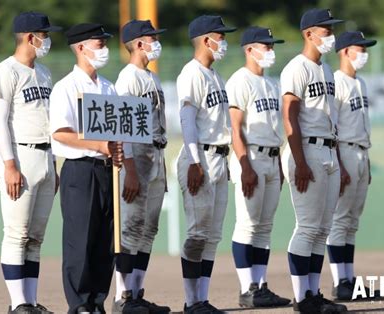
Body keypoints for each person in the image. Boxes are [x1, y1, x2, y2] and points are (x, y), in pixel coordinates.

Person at [0, 11, 61, 314]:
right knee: (16, 233)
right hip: (20, 155)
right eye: (43, 35)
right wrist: (9, 165)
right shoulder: (5, 71)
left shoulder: (43, 73)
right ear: (30, 37)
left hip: (45, 156)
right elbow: (0, 122)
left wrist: (54, 164)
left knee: (36, 236)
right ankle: (18, 303)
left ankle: (30, 301)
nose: (47, 39)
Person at [49, 23, 123, 314]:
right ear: (81, 48)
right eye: (99, 43)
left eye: (104, 43)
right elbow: (60, 132)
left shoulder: (108, 87)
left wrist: (117, 154)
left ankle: (97, 300)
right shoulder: (65, 87)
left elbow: (118, 129)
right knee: (80, 239)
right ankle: (79, 303)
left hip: (107, 170)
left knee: (105, 239)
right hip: (80, 170)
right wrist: (97, 145)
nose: (104, 48)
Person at [280, 8, 348, 313]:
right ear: (309, 33)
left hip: (329, 150)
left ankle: (312, 293)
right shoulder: (297, 67)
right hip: (306, 150)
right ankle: (301, 298)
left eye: (332, 30)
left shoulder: (327, 70)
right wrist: (300, 161)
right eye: (326, 30)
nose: (330, 35)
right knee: (307, 227)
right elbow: (289, 115)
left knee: (323, 228)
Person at [226, 26, 290, 309]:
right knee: (247, 225)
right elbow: (235, 128)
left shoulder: (272, 83)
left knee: (265, 226)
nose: (270, 50)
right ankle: (246, 288)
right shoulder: (240, 81)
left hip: (271, 158)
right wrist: (245, 165)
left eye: (271, 45)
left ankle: (260, 285)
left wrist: (279, 163)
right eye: (265, 45)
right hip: (250, 157)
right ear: (249, 49)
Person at [176, 15, 236, 314]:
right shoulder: (192, 73)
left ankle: (202, 298)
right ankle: (191, 301)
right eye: (219, 36)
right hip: (199, 157)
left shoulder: (216, 76)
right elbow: (187, 118)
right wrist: (195, 161)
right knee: (197, 234)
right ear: (204, 39)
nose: (223, 41)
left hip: (219, 157)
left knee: (212, 235)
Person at [112, 19, 170, 313]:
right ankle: (122, 297)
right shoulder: (127, 78)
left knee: (149, 230)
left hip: (156, 156)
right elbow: (123, 130)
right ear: (137, 44)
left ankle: (136, 293)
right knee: (131, 229)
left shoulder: (152, 78)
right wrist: (130, 169)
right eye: (151, 38)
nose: (155, 42)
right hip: (138, 158)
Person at [325, 31, 379, 301]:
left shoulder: (361, 84)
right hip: (344, 151)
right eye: (361, 48)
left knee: (352, 222)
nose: (365, 53)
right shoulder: (336, 82)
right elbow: (331, 126)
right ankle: (339, 281)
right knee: (340, 220)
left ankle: (349, 277)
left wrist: (366, 162)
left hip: (360, 153)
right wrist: (339, 164)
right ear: (345, 51)